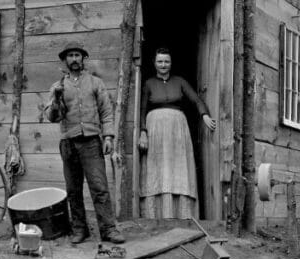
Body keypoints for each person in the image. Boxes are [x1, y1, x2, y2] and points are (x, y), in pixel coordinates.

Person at [46, 41, 125, 245]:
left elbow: (107, 111)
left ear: (83, 59)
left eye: (77, 55)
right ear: (65, 60)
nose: (74, 59)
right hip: (68, 143)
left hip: (91, 142)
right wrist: (56, 100)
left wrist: (108, 137)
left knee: (99, 187)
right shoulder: (57, 87)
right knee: (73, 189)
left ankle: (108, 229)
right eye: (70, 56)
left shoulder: (95, 83)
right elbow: (52, 117)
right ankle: (79, 229)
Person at [138, 47, 216, 220]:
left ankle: (182, 214)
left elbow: (196, 99)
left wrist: (204, 115)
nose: (163, 65)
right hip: (155, 128)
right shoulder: (149, 83)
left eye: (166, 61)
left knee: (177, 165)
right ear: (154, 63)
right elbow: (142, 109)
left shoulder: (179, 81)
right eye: (160, 61)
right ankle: (155, 214)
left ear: (171, 63)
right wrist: (143, 131)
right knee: (157, 166)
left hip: (177, 128)